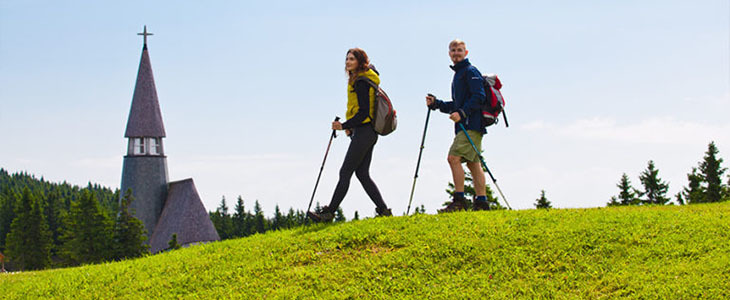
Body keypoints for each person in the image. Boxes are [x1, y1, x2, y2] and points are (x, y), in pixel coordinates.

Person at [308, 48, 392, 222]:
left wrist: (343, 125)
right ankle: (383, 210)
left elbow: (363, 113)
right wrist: (351, 127)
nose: (348, 62)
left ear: (360, 62)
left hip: (364, 132)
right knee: (362, 174)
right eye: (347, 59)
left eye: (352, 59)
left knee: (345, 172)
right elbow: (362, 112)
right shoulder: (363, 79)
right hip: (366, 132)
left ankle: (329, 213)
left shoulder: (361, 82)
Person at [426, 39, 490, 212]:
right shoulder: (459, 74)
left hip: (471, 124)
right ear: (449, 54)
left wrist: (462, 113)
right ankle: (482, 203)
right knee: (473, 163)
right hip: (468, 124)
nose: (456, 53)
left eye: (459, 50)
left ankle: (459, 201)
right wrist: (437, 104)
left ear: (466, 52)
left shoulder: (469, 71)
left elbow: (479, 96)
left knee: (453, 158)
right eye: (453, 50)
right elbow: (457, 104)